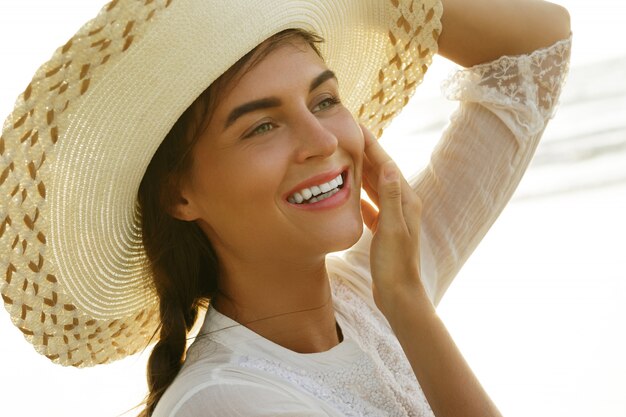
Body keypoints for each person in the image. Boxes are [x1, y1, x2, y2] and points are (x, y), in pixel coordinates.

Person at [0, 0, 571, 416]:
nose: (322, 140)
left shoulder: (370, 295)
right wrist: (409, 309)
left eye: (324, 100)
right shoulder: (224, 403)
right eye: (262, 126)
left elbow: (536, 53)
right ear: (180, 194)